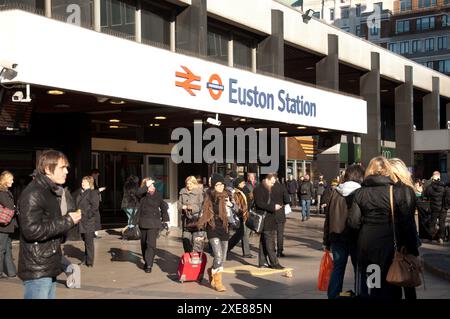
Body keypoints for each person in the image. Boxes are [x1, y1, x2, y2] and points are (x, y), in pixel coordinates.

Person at [347, 156, 418, 299]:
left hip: (367, 247)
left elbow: (353, 222)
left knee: (374, 286)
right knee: (391, 286)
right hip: (390, 247)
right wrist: (412, 248)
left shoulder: (360, 193)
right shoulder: (397, 191)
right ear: (387, 170)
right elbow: (407, 223)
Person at [17, 150, 81, 299]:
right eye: (62, 167)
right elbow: (31, 230)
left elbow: (50, 224)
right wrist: (68, 220)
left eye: (67, 168)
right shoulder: (34, 193)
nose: (66, 171)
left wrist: (68, 222)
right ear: (47, 169)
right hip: (37, 268)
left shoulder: (49, 191)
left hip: (48, 264)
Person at [322, 164, 364, 299]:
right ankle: (360, 293)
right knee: (359, 269)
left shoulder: (335, 192)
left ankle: (333, 296)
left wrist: (326, 241)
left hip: (336, 236)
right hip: (356, 237)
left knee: (338, 268)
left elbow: (328, 218)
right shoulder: (361, 192)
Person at [389, 158, 421, 300]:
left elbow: (407, 221)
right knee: (403, 282)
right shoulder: (406, 190)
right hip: (401, 242)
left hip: (401, 244)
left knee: (403, 281)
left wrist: (412, 249)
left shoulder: (403, 190)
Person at [198, 173, 232, 292]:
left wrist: (231, 205)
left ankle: (211, 270)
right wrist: (200, 229)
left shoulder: (227, 196)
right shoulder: (208, 197)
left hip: (224, 228)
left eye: (222, 184)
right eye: (218, 184)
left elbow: (237, 210)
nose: (221, 186)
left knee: (223, 258)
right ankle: (218, 282)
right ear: (213, 186)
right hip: (212, 228)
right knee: (218, 255)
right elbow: (203, 214)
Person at [136, 177, 169, 273]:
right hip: (143, 221)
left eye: (153, 185)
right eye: (150, 185)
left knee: (151, 244)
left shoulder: (157, 194)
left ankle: (149, 264)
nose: (152, 186)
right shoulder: (142, 194)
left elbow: (163, 206)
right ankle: (147, 260)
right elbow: (137, 193)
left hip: (154, 222)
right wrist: (146, 186)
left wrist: (165, 219)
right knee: (143, 244)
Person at [253, 173, 284, 269]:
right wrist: (273, 207)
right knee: (270, 241)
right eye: (272, 182)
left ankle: (262, 262)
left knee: (263, 240)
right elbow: (259, 204)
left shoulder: (268, 188)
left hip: (270, 218)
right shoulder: (258, 189)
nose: (273, 184)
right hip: (265, 219)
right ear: (267, 179)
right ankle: (274, 263)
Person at [72, 176, 99, 267]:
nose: (83, 184)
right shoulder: (81, 193)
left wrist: (87, 215)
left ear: (89, 183)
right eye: (82, 182)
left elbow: (95, 207)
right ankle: (86, 258)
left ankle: (90, 261)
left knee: (89, 242)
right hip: (81, 221)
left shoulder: (92, 193)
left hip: (88, 221)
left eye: (85, 182)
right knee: (85, 241)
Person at [227, 176, 253, 258]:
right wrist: (242, 213)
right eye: (242, 182)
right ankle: (247, 253)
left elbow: (250, 199)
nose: (244, 183)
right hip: (241, 215)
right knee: (244, 233)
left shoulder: (246, 189)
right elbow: (238, 205)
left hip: (247, 213)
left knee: (240, 234)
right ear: (238, 184)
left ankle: (227, 247)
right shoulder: (236, 193)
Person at [178, 176, 204, 253]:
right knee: (185, 240)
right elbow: (179, 204)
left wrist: (191, 207)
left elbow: (201, 206)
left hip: (196, 219)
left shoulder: (199, 192)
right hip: (186, 220)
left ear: (194, 183)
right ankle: (188, 255)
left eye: (190, 183)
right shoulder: (182, 192)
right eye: (187, 183)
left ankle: (196, 258)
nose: (188, 185)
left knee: (197, 242)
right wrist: (181, 207)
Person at [0, 171, 18, 279]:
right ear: (5, 180)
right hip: (3, 226)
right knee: (1, 249)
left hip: (7, 226)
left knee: (7, 248)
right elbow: (10, 207)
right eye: (11, 179)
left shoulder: (6, 191)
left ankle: (11, 272)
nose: (12, 181)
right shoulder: (2, 192)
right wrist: (16, 208)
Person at [423, 171, 447, 244]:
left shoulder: (429, 187)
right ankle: (441, 238)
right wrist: (446, 206)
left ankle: (434, 235)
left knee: (432, 223)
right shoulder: (444, 187)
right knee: (442, 223)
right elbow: (447, 197)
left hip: (434, 208)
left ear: (433, 178)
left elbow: (425, 195)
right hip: (442, 208)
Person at [271, 177, 291, 258]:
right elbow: (287, 200)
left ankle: (271, 250)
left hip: (270, 213)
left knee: (271, 233)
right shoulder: (282, 187)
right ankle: (279, 251)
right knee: (280, 233)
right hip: (280, 213)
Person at [90, 169, 105, 238]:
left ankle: (94, 233)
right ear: (94, 174)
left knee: (96, 218)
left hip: (94, 202)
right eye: (96, 175)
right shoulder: (91, 181)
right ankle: (93, 234)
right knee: (95, 218)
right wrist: (99, 190)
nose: (97, 176)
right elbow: (92, 192)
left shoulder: (93, 181)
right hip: (93, 203)